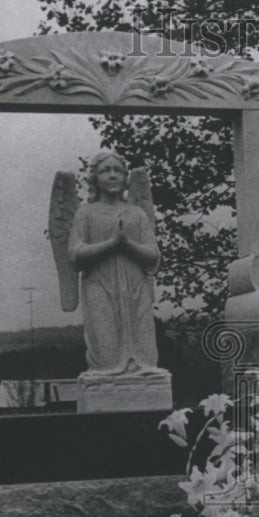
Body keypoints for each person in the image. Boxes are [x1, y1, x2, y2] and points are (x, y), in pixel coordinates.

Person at [68, 151, 164, 376]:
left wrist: (127, 245)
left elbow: (153, 255)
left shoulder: (137, 214)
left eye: (118, 171)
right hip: (100, 286)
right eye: (105, 171)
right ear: (95, 178)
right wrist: (112, 244)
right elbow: (76, 255)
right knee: (105, 352)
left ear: (125, 178)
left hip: (135, 287)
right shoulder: (86, 214)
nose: (112, 176)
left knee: (145, 352)